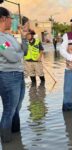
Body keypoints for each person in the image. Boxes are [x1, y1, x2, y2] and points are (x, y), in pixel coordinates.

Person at [0, 7, 28, 142]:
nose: (12, 21)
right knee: (9, 111)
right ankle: (6, 142)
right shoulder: (0, 39)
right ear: (3, 19)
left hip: (18, 74)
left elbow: (25, 51)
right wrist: (20, 53)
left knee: (17, 108)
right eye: (11, 18)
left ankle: (17, 141)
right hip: (7, 76)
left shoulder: (9, 36)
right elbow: (12, 57)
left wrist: (23, 38)